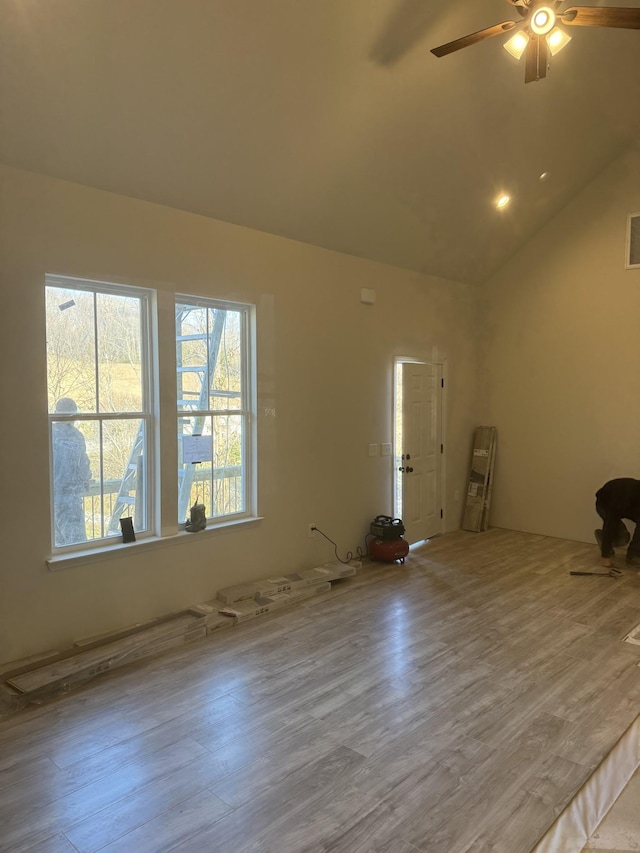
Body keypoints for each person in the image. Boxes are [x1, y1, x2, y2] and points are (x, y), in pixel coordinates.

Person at [52, 397, 92, 546]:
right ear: (73, 415)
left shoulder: (47, 434)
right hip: (70, 501)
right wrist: (86, 478)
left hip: (50, 501)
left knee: (58, 549)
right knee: (78, 548)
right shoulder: (76, 437)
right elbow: (82, 466)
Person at [594, 478, 640, 569]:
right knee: (621, 538)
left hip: (630, 506)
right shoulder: (623, 495)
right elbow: (612, 521)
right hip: (605, 504)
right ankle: (605, 541)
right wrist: (605, 557)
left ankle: (633, 555)